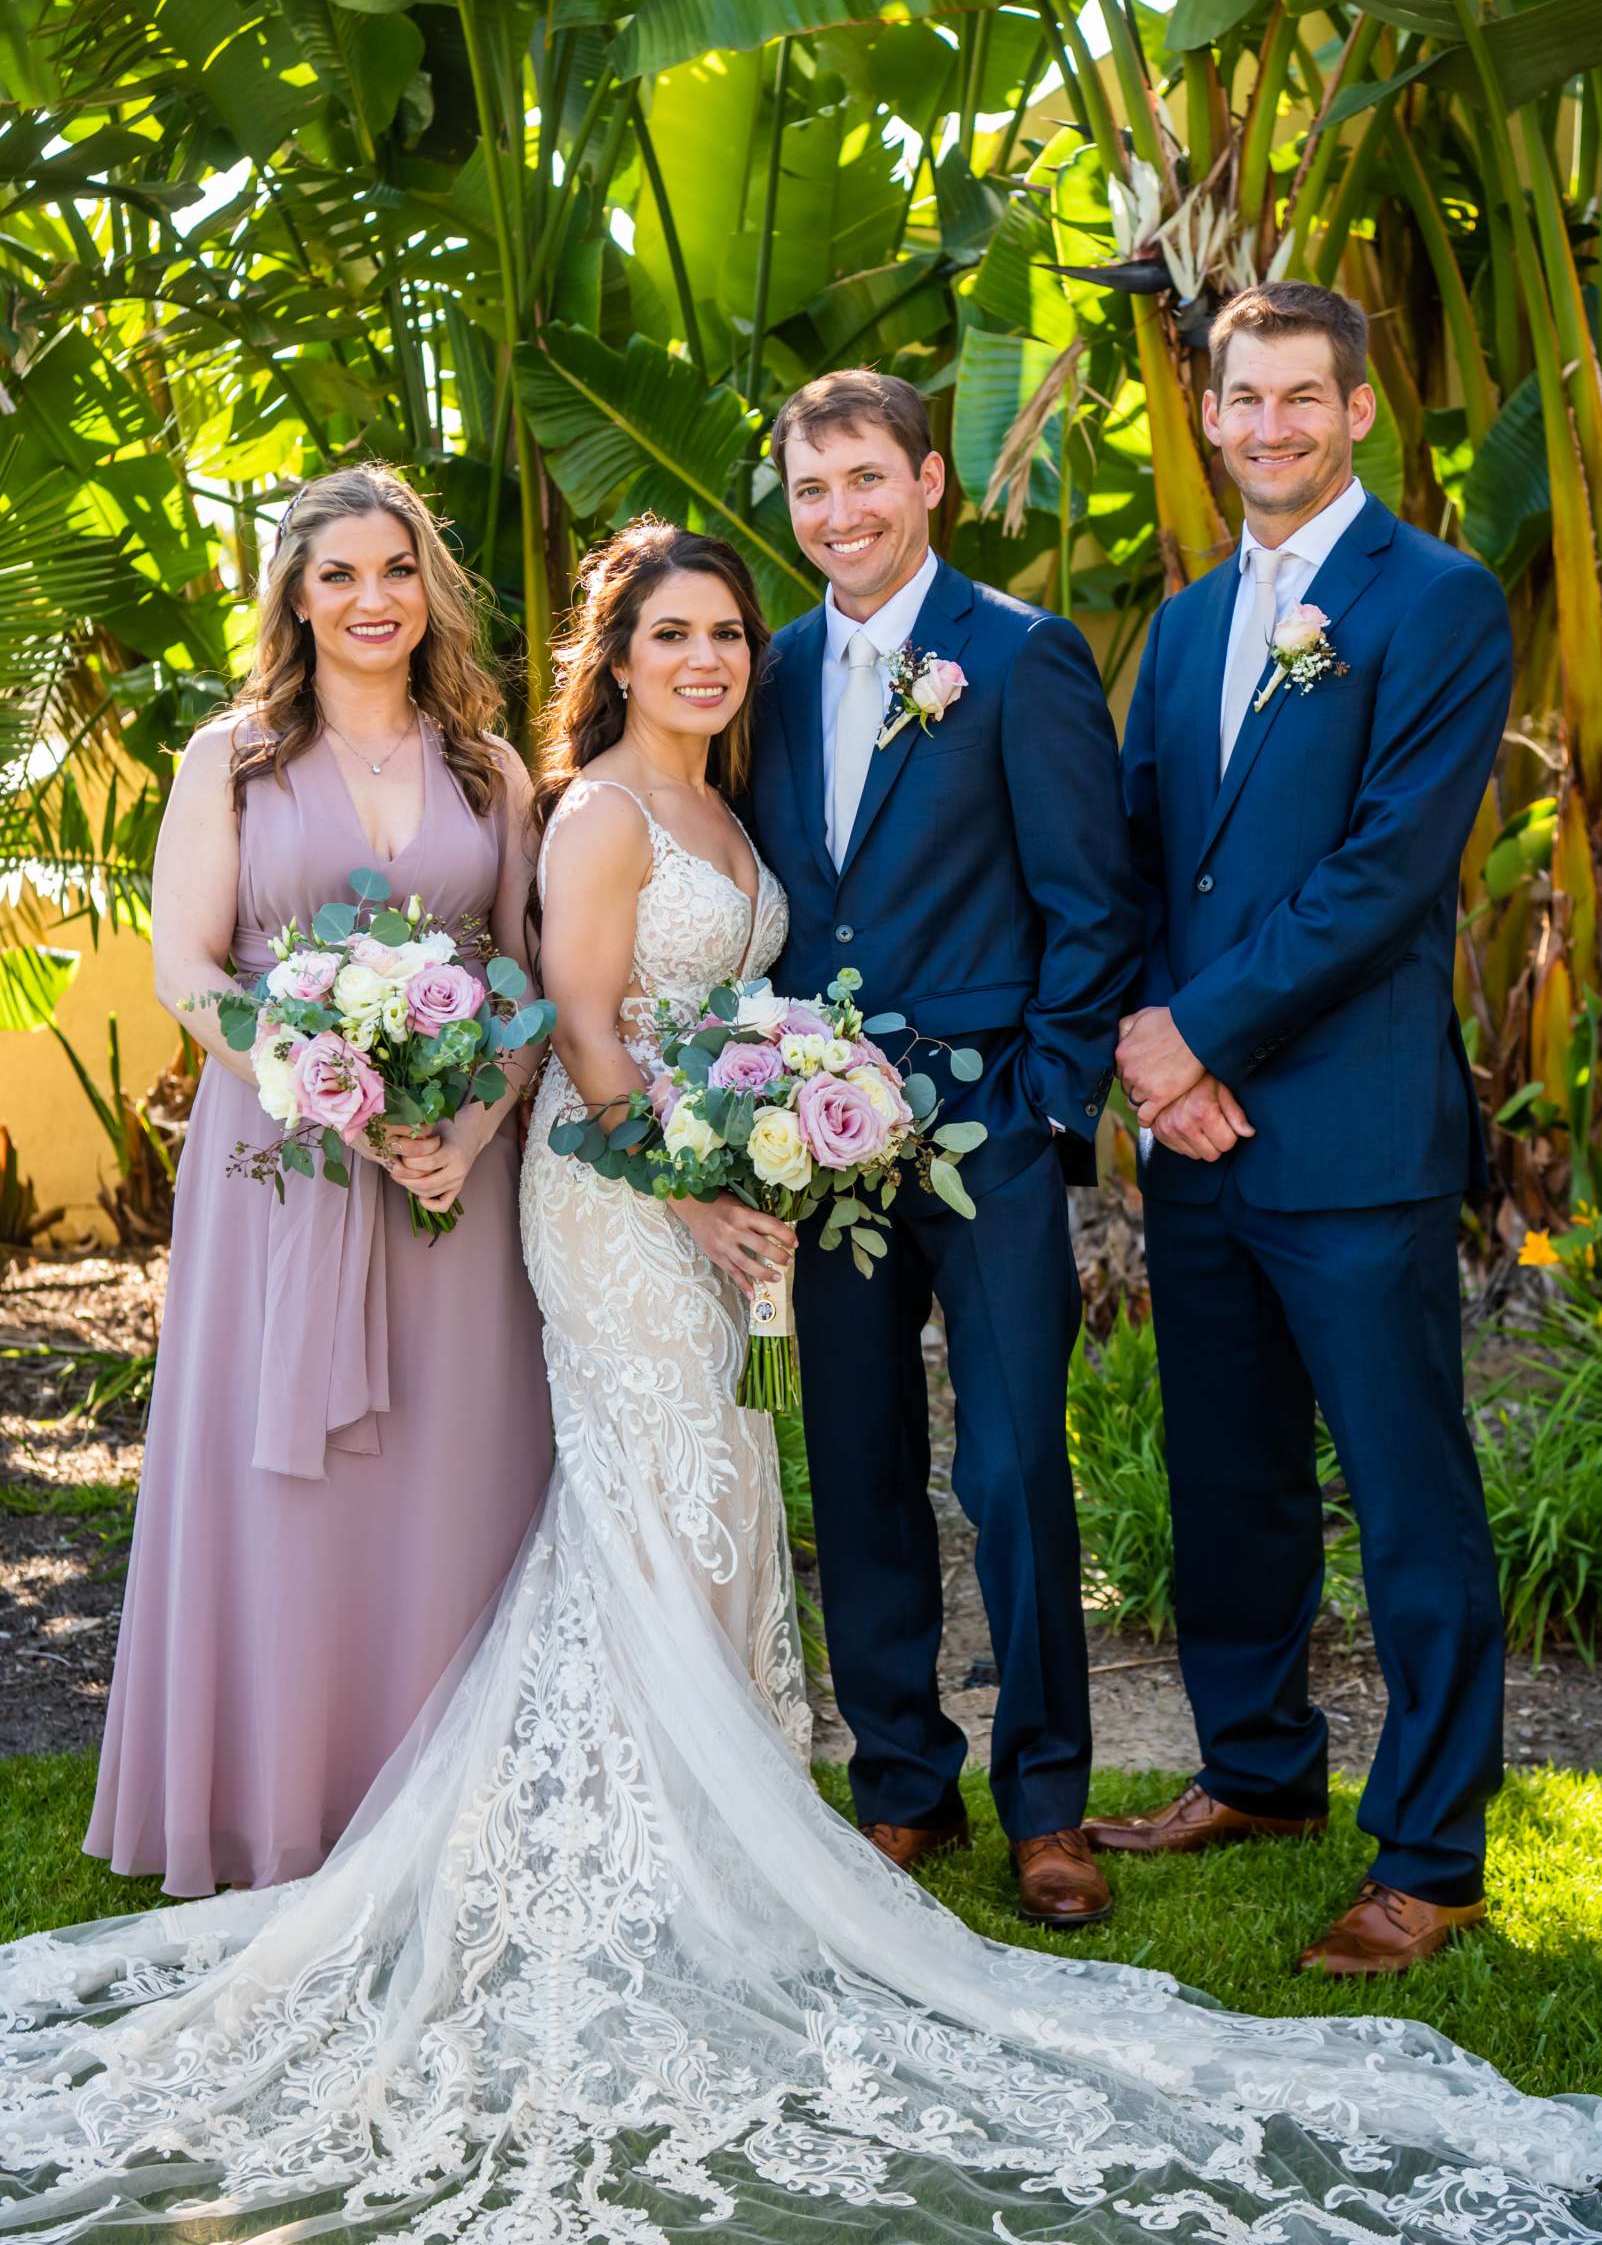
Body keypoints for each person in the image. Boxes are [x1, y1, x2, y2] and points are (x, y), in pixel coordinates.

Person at [2, 519, 1597, 2245]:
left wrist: (765, 1131)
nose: (704, 658)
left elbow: (605, 1002)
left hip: (709, 1203)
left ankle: (721, 1820)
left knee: (706, 1491)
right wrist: (684, 1179)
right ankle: (655, 1845)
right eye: (670, 633)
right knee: (662, 1483)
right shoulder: (596, 808)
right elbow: (586, 1016)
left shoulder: (725, 801)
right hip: (620, 1211)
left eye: (723, 635)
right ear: (615, 656)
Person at [1103, 280, 1512, 1976]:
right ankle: (1258, 1772)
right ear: (1204, 416)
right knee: (1230, 1479)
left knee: (1407, 1498)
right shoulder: (1190, 624)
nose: (1265, 426)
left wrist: (1191, 1029)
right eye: (1238, 399)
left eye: (1298, 398)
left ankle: (1428, 1850)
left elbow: (1383, 874)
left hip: (1350, 1132)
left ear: (1356, 413)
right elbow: (1134, 853)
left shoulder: (1435, 600)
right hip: (1196, 1140)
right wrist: (1158, 1066)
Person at [83, 463, 553, 1896]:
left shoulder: (490, 766)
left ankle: (449, 1814)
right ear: (293, 592)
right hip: (278, 1166)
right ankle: (277, 1809)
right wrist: (318, 1078)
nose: (370, 600)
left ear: (431, 590)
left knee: (453, 1479)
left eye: (395, 570)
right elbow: (186, 969)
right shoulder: (232, 758)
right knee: (289, 1488)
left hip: (447, 1184)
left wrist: (466, 1128)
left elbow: (524, 975)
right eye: (337, 573)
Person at [745, 368, 1142, 1926]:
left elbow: (1089, 902)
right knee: (855, 1464)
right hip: (815, 1138)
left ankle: (1046, 1800)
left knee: (1012, 1464)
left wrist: (1044, 1100)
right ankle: (901, 1783)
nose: (836, 513)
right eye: (809, 489)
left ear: (927, 483)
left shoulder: (1020, 656)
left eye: (863, 479)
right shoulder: (765, 672)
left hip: (986, 1126)